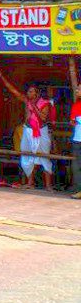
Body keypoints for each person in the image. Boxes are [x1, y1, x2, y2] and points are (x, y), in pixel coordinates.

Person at [0, 68, 54, 190]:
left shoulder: (45, 103)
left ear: (37, 93)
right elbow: (14, 92)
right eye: (28, 92)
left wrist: (34, 107)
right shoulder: (27, 101)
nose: (29, 93)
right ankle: (30, 183)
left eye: (31, 92)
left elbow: (43, 118)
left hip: (41, 132)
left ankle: (48, 186)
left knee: (44, 157)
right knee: (27, 157)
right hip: (28, 131)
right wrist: (2, 78)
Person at [68, 57, 81, 199]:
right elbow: (72, 121)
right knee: (77, 167)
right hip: (77, 139)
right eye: (77, 89)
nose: (77, 90)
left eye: (79, 89)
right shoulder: (76, 105)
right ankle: (79, 190)